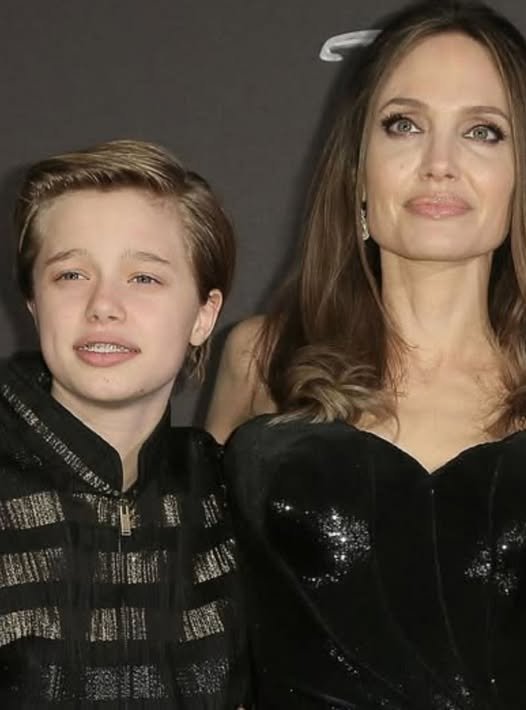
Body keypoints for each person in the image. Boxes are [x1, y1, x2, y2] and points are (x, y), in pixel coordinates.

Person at [209, 1, 526, 707]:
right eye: (404, 124)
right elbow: (195, 627)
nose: (439, 165)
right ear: (357, 168)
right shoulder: (262, 358)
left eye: (483, 131)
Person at [0, 139, 246, 707]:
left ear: (204, 315)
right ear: (34, 304)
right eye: (70, 275)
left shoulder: (230, 494)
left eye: (144, 278)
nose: (103, 305)